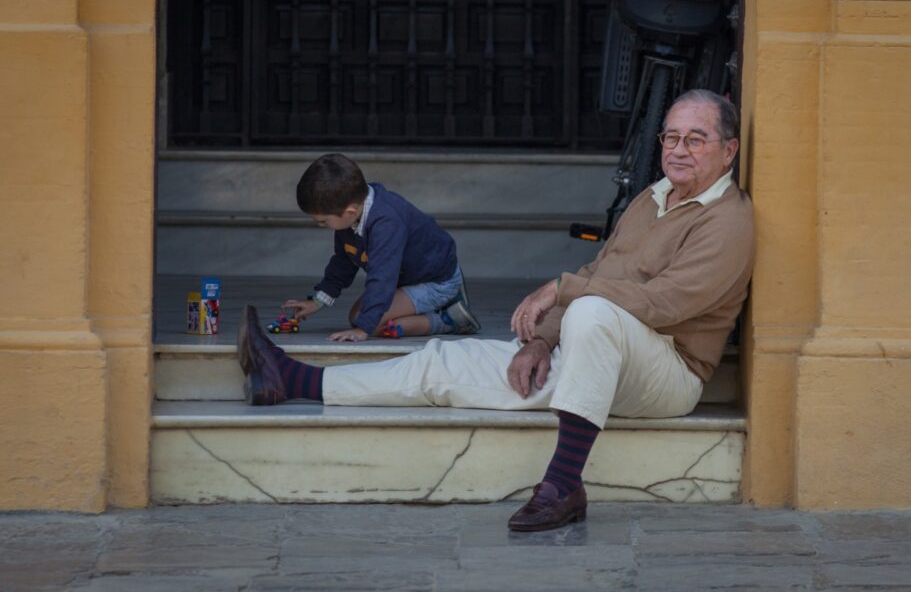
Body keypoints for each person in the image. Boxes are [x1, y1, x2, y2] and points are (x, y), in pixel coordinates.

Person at [238, 90, 754, 532]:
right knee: (443, 362)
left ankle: (562, 485)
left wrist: (562, 289)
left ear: (728, 150)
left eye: (695, 139)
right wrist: (541, 341)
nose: (678, 150)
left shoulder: (727, 220)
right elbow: (597, 273)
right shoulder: (651, 198)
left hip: (668, 371)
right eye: (670, 137)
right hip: (602, 355)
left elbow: (663, 304)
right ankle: (290, 379)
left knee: (591, 313)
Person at [281, 153, 480, 342]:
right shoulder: (351, 217)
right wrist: (319, 301)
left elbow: (382, 275)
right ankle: (427, 310)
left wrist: (363, 329)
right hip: (405, 278)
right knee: (360, 317)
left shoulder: (387, 223)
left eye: (323, 221)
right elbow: (343, 261)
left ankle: (449, 320)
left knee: (369, 323)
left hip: (436, 281)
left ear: (350, 211)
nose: (320, 225)